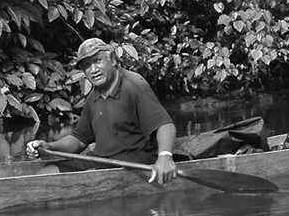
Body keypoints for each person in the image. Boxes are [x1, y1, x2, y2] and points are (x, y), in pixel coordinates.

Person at [25, 38, 178, 184]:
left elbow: (165, 125)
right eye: (86, 65)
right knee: (49, 171)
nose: (93, 70)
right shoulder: (94, 97)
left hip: (134, 161)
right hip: (101, 159)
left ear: (111, 59)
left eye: (98, 61)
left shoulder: (134, 86)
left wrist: (165, 157)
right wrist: (50, 147)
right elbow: (79, 139)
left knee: (89, 178)